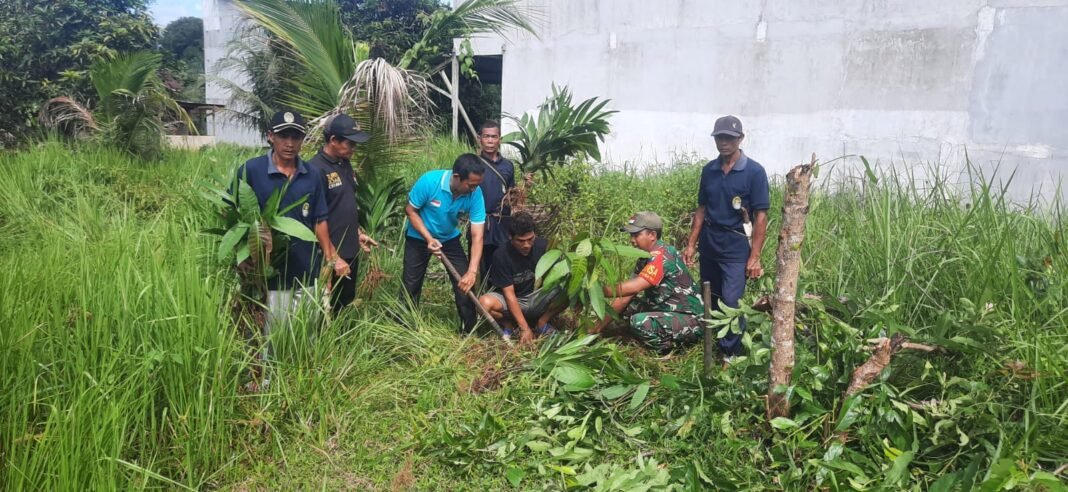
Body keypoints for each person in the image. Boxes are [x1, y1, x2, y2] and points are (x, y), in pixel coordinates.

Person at [234, 110, 347, 364]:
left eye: (296, 136)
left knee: (306, 334)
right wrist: (241, 260)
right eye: (284, 135)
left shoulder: (312, 174)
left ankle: (300, 383)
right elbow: (233, 213)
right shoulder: (251, 171)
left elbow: (319, 219)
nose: (290, 143)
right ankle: (269, 385)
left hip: (307, 270)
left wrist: (330, 260)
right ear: (270, 137)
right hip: (271, 275)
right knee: (272, 336)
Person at [682, 115, 769, 358]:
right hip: (710, 244)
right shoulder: (709, 170)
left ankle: (731, 355)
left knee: (731, 302)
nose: (724, 142)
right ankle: (714, 345)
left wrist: (755, 257)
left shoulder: (754, 172)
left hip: (735, 246)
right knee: (712, 296)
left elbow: (761, 217)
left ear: (740, 139)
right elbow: (702, 209)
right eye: (719, 137)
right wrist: (691, 245)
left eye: (729, 138)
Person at [591, 212, 705, 354]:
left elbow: (635, 286)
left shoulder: (662, 257)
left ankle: (666, 349)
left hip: (690, 319)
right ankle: (646, 335)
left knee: (639, 322)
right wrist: (594, 331)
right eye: (631, 235)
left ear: (652, 235)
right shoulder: (644, 257)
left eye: (636, 235)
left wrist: (595, 291)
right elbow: (626, 296)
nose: (632, 240)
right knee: (626, 307)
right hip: (665, 311)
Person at [401, 153, 487, 332]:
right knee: (411, 285)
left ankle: (469, 332)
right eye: (470, 185)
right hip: (419, 237)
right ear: (457, 177)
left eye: (477, 185)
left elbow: (478, 235)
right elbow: (410, 211)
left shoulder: (475, 193)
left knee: (464, 283)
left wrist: (472, 272)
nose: (474, 189)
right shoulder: (430, 181)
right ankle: (405, 328)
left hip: (449, 237)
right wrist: (428, 238)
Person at [306, 113, 379, 314]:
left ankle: (342, 344)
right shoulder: (315, 170)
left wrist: (357, 233)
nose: (354, 148)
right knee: (324, 309)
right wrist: (333, 257)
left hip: (349, 251)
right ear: (333, 140)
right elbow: (313, 219)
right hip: (328, 255)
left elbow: (342, 204)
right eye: (350, 143)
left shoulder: (344, 164)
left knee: (344, 305)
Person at [478, 212, 565, 345]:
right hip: (515, 299)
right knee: (483, 304)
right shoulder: (501, 255)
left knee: (571, 287)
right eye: (520, 241)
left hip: (538, 296)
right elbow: (509, 295)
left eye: (530, 239)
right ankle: (509, 325)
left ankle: (542, 322)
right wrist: (525, 328)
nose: (526, 245)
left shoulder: (545, 247)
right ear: (510, 237)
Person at [472, 120, 518, 277]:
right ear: (480, 138)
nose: (490, 141)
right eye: (486, 136)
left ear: (500, 139)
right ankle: (479, 298)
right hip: (480, 221)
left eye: (494, 136)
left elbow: (512, 194)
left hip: (501, 223)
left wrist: (525, 187)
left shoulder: (508, 166)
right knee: (479, 265)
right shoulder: (473, 163)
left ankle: (498, 298)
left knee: (502, 263)